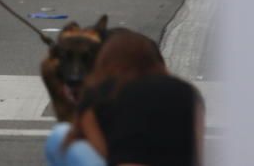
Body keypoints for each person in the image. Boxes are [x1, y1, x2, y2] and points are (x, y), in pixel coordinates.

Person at [48, 30, 203, 166]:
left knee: (60, 134)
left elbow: (101, 151)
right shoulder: (187, 92)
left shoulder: (100, 93)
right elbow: (196, 153)